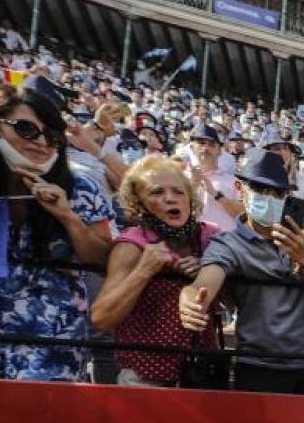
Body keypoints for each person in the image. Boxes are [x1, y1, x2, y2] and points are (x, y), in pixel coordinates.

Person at [0, 78, 113, 381]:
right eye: (26, 129)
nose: (41, 141)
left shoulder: (79, 187)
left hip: (51, 345)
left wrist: (68, 217)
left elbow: (103, 260)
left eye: (52, 134)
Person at [176, 150, 304, 395]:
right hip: (260, 365)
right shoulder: (228, 244)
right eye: (260, 189)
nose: (269, 198)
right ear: (240, 187)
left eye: (278, 193)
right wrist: (190, 300)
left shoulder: (301, 227)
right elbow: (203, 284)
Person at [91, 157, 221, 386]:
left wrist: (206, 273)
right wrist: (144, 270)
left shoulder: (210, 237)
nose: (170, 198)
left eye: (178, 192)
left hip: (202, 372)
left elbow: (230, 299)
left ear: (190, 198)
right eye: (157, 192)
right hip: (146, 377)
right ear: (138, 203)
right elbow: (102, 317)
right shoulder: (131, 245)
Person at [186, 122, 242, 233]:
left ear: (220, 151)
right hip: (190, 240)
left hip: (224, 242)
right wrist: (193, 186)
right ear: (192, 148)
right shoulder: (179, 177)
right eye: (201, 143)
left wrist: (216, 195)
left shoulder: (236, 182)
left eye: (212, 144)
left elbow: (243, 213)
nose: (206, 148)